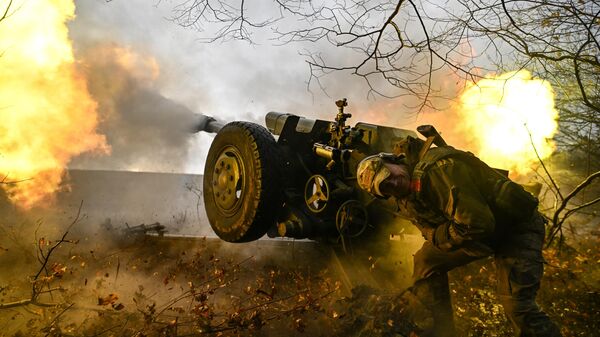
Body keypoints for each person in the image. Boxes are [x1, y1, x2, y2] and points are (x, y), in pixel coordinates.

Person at [356, 137, 562, 337]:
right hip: (479, 235)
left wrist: (439, 237)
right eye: (386, 188)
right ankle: (443, 331)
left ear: (392, 162)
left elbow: (476, 224)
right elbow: (430, 229)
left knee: (518, 306)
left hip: (515, 228)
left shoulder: (438, 171)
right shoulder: (406, 196)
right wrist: (437, 237)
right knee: (426, 261)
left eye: (388, 175)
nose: (393, 183)